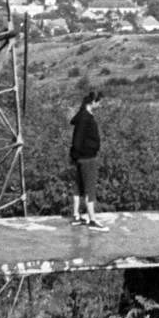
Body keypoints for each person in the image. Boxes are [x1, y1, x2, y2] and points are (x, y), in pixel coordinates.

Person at [69, 91, 108, 230]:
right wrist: (80, 153)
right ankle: (92, 221)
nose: (101, 105)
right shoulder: (86, 118)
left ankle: (76, 216)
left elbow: (77, 139)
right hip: (87, 158)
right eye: (99, 102)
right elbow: (78, 140)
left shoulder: (81, 115)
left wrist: (75, 156)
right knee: (89, 189)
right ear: (93, 102)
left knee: (78, 187)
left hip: (80, 158)